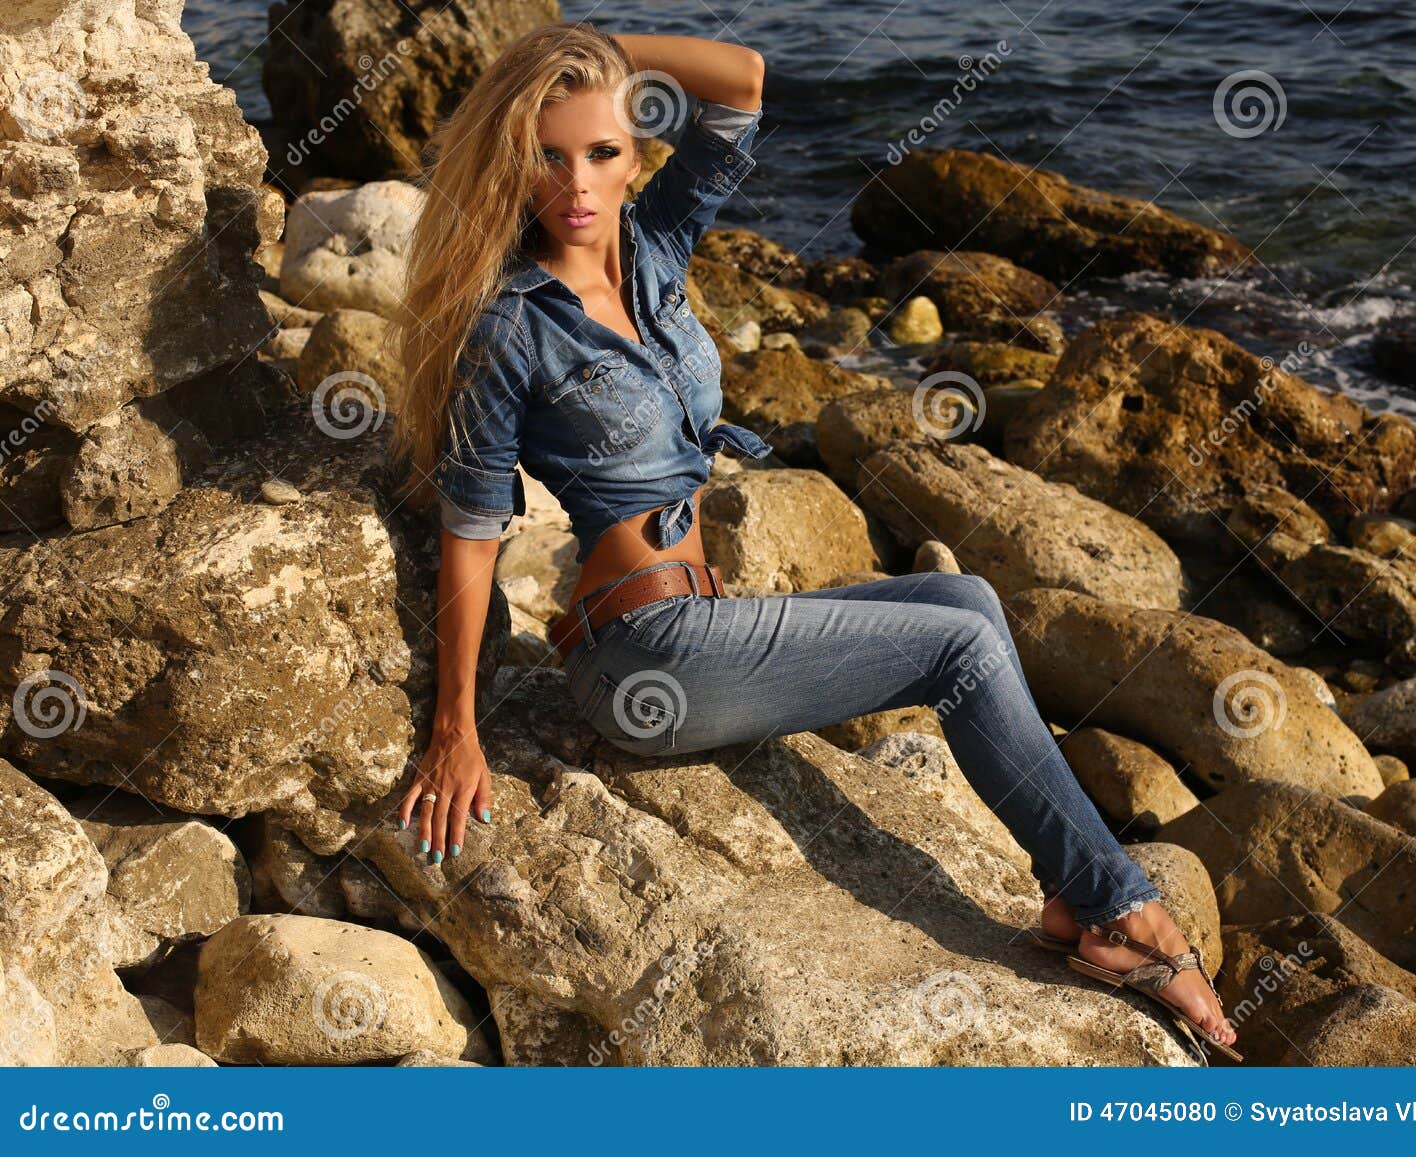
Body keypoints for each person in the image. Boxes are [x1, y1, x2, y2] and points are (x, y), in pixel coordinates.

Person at [387, 21, 1237, 1058]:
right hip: (642, 660)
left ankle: (1070, 897)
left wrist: (596, 45)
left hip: (702, 620)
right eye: (548, 155)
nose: (577, 181)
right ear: (514, 164)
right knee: (958, 647)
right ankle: (1121, 909)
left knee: (968, 604)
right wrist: (455, 726)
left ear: (634, 151)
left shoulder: (652, 248)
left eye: (601, 149)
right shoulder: (508, 325)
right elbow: (470, 536)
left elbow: (741, 81)